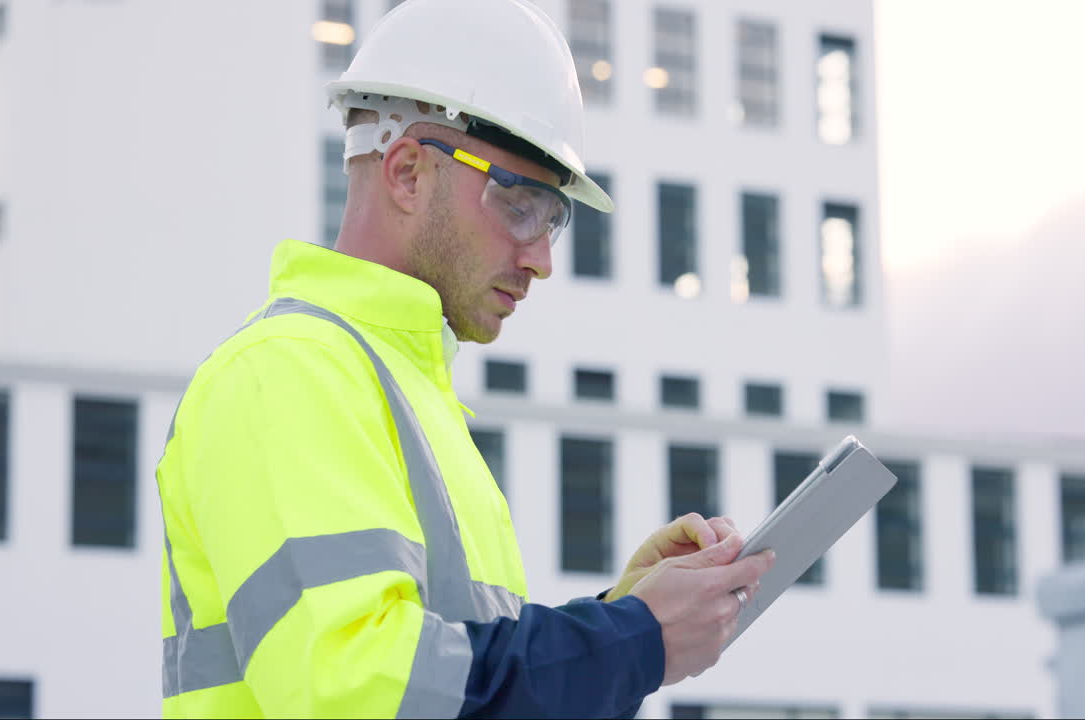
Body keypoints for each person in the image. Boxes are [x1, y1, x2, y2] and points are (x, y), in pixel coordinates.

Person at [155, 0, 775, 717]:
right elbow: (357, 689)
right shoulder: (287, 372)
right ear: (407, 173)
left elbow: (455, 677)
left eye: (553, 220)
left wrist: (621, 615)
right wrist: (629, 638)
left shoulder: (406, 395)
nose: (541, 259)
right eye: (521, 203)